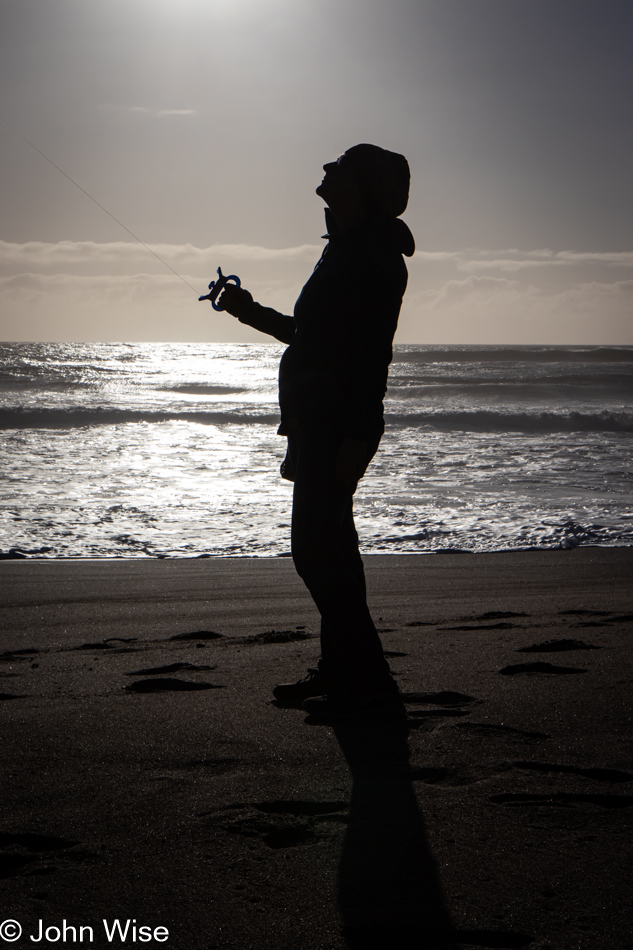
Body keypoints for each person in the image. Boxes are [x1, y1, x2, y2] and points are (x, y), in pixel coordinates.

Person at [218, 143, 415, 717]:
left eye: (341, 165)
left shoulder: (373, 256)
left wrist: (358, 435)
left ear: (362, 186)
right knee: (334, 550)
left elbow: (374, 353)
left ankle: (370, 678)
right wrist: (244, 309)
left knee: (314, 550)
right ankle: (342, 672)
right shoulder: (344, 250)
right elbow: (311, 337)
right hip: (318, 422)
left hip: (337, 426)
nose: (327, 170)